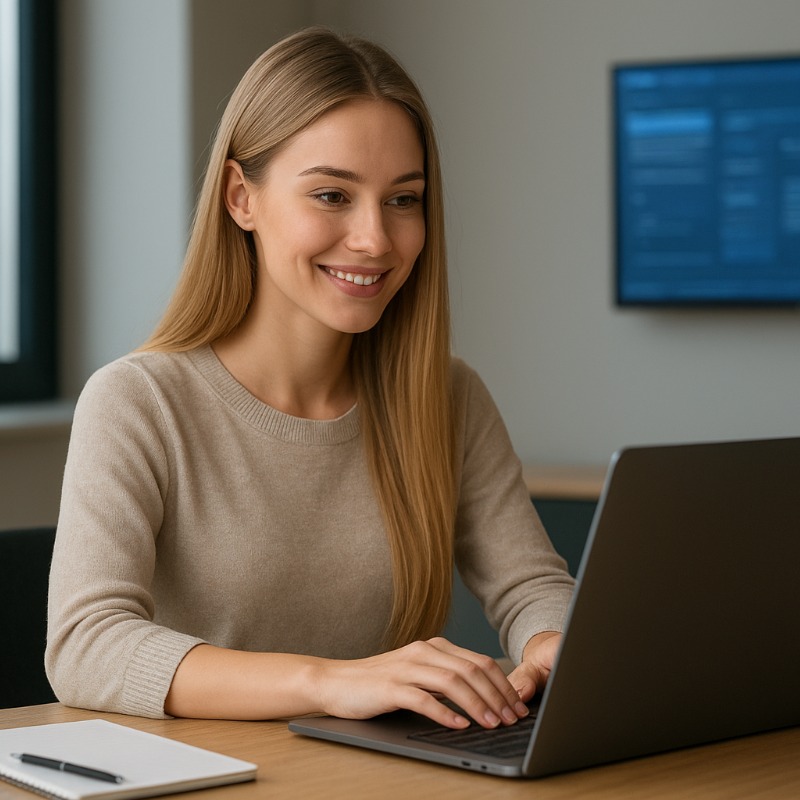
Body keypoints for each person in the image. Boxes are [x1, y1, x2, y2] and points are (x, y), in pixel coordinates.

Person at [46, 26, 574, 730]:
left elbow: (532, 584)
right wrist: (330, 683)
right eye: (331, 195)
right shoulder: (138, 401)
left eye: (403, 200)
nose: (374, 239)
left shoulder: (447, 396)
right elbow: (87, 647)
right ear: (241, 197)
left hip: (380, 772)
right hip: (205, 771)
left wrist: (551, 643)